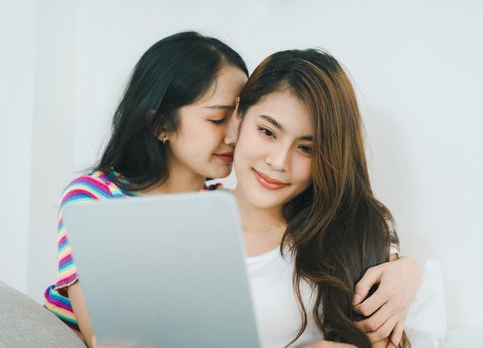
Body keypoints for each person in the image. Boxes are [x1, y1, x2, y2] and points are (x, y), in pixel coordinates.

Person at [43, 31, 248, 347]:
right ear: (161, 124)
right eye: (218, 118)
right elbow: (106, 338)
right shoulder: (93, 200)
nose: (235, 135)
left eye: (242, 116)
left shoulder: (226, 207)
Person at [224, 49, 420, 348]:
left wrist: (409, 269)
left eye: (306, 149)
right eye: (267, 132)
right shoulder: (183, 226)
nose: (279, 161)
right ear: (238, 117)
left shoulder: (351, 234)